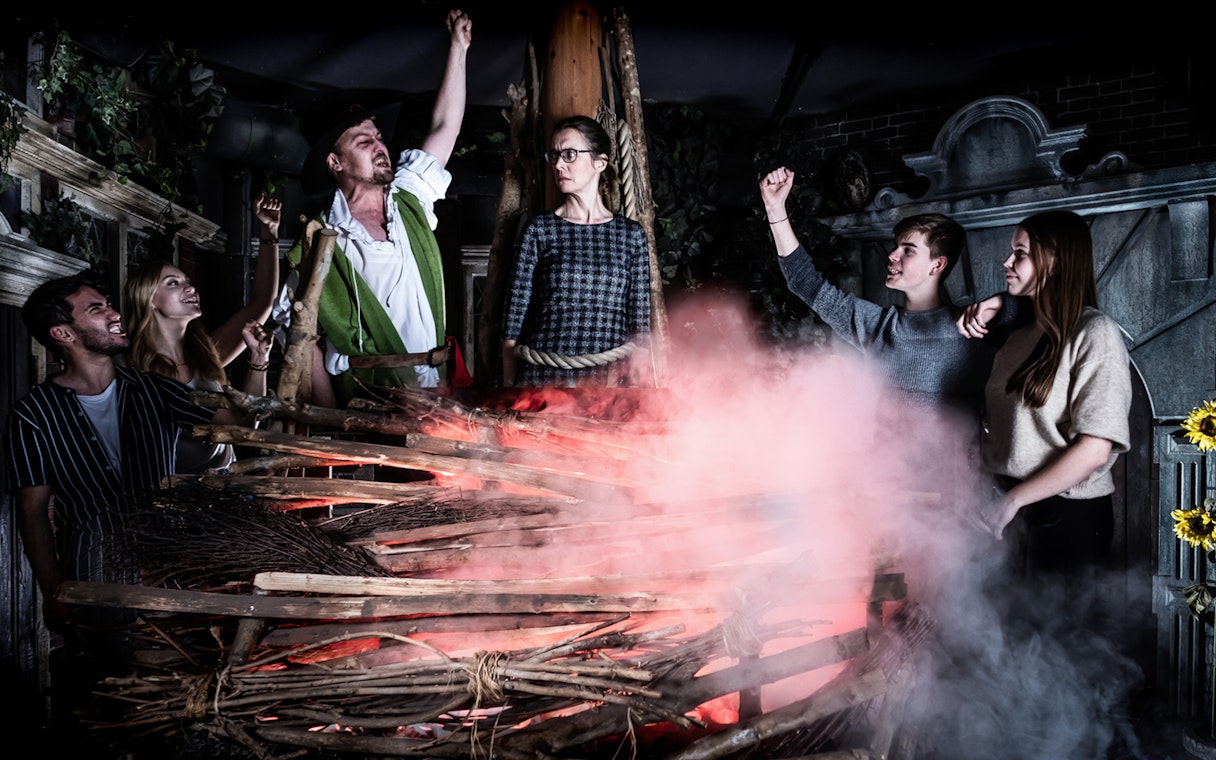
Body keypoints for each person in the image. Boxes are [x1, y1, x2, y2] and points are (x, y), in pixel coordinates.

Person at [5, 274, 243, 630]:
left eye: (109, 304)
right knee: (107, 676)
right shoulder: (33, 415)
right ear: (63, 334)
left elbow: (235, 424)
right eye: (97, 308)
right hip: (96, 577)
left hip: (174, 567)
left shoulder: (155, 390)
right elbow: (33, 512)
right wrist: (54, 593)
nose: (114, 313)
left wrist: (258, 361)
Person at [278, 9, 472, 404]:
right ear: (336, 163)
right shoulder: (320, 239)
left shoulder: (410, 198)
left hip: (436, 390)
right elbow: (302, 334)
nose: (380, 146)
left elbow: (444, 128)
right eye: (363, 141)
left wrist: (459, 48)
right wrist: (330, 415)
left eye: (378, 136)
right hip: (368, 400)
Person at [761, 166, 1018, 419]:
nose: (892, 255)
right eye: (896, 247)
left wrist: (1002, 304)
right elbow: (804, 282)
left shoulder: (974, 327)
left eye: (908, 250)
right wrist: (775, 209)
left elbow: (1049, 307)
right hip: (886, 461)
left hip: (959, 461)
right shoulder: (877, 326)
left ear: (937, 265)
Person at [967, 210, 1131, 577]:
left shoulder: (1096, 333)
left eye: (1020, 253)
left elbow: (1094, 449)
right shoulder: (1017, 336)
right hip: (1008, 510)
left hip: (1067, 517)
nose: (1006, 262)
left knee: (1063, 634)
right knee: (1007, 631)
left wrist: (1013, 501)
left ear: (1054, 262)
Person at [124, 194, 278, 472]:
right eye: (173, 283)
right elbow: (239, 426)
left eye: (188, 281)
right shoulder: (138, 371)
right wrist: (257, 363)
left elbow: (263, 302)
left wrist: (269, 232)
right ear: (148, 300)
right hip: (175, 499)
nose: (190, 288)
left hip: (223, 488)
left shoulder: (207, 353)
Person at [502, 115, 652, 387]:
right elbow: (515, 312)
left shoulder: (631, 235)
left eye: (570, 154)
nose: (559, 164)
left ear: (600, 162)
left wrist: (635, 382)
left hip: (606, 380)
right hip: (542, 376)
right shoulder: (539, 229)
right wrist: (510, 385)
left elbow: (640, 320)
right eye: (555, 155)